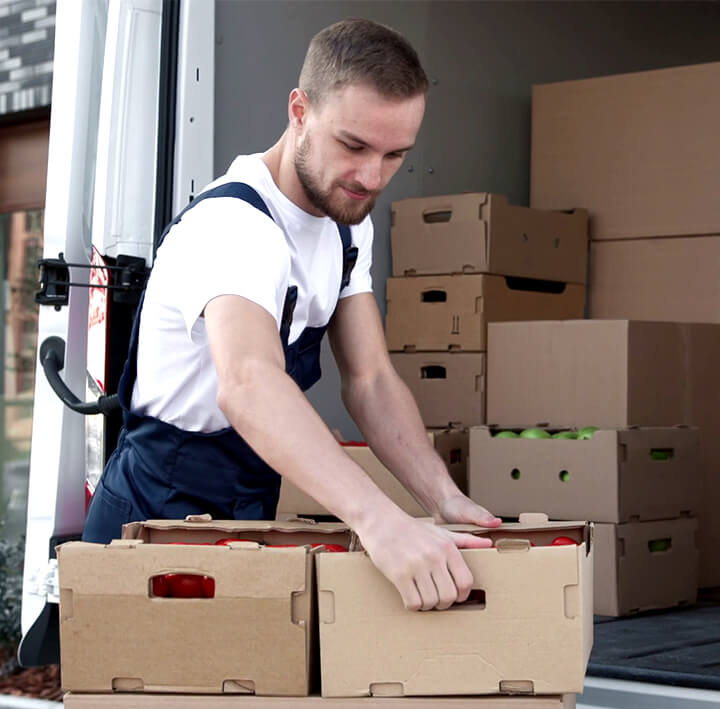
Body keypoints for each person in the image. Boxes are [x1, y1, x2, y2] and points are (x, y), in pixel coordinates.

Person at [83, 18, 501, 611]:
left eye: (395, 154)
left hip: (251, 505)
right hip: (157, 513)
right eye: (354, 145)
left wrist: (442, 498)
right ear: (299, 110)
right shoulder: (234, 227)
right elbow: (250, 384)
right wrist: (380, 523)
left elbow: (371, 379)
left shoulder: (346, 224)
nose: (372, 177)